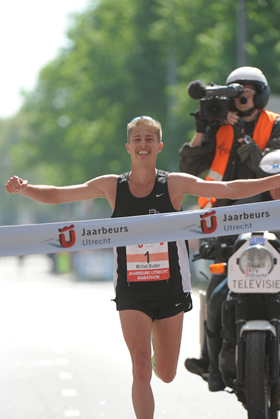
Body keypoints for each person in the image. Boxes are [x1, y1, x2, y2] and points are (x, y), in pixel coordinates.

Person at [5, 116, 280, 419]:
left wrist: (274, 181)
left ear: (159, 146)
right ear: (128, 147)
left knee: (166, 373)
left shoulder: (173, 184)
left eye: (149, 138)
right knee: (139, 367)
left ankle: (155, 351)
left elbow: (227, 188)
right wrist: (26, 189)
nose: (143, 144)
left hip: (170, 288)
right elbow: (59, 195)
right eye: (137, 139)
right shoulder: (112, 186)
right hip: (131, 290)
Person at [179, 66, 280, 392]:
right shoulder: (218, 126)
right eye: (237, 89)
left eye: (249, 88)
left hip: (272, 221)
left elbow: (269, 165)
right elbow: (188, 170)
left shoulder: (276, 125)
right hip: (226, 224)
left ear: (261, 92)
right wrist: (202, 129)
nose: (243, 93)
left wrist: (244, 139)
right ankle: (210, 363)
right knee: (219, 293)